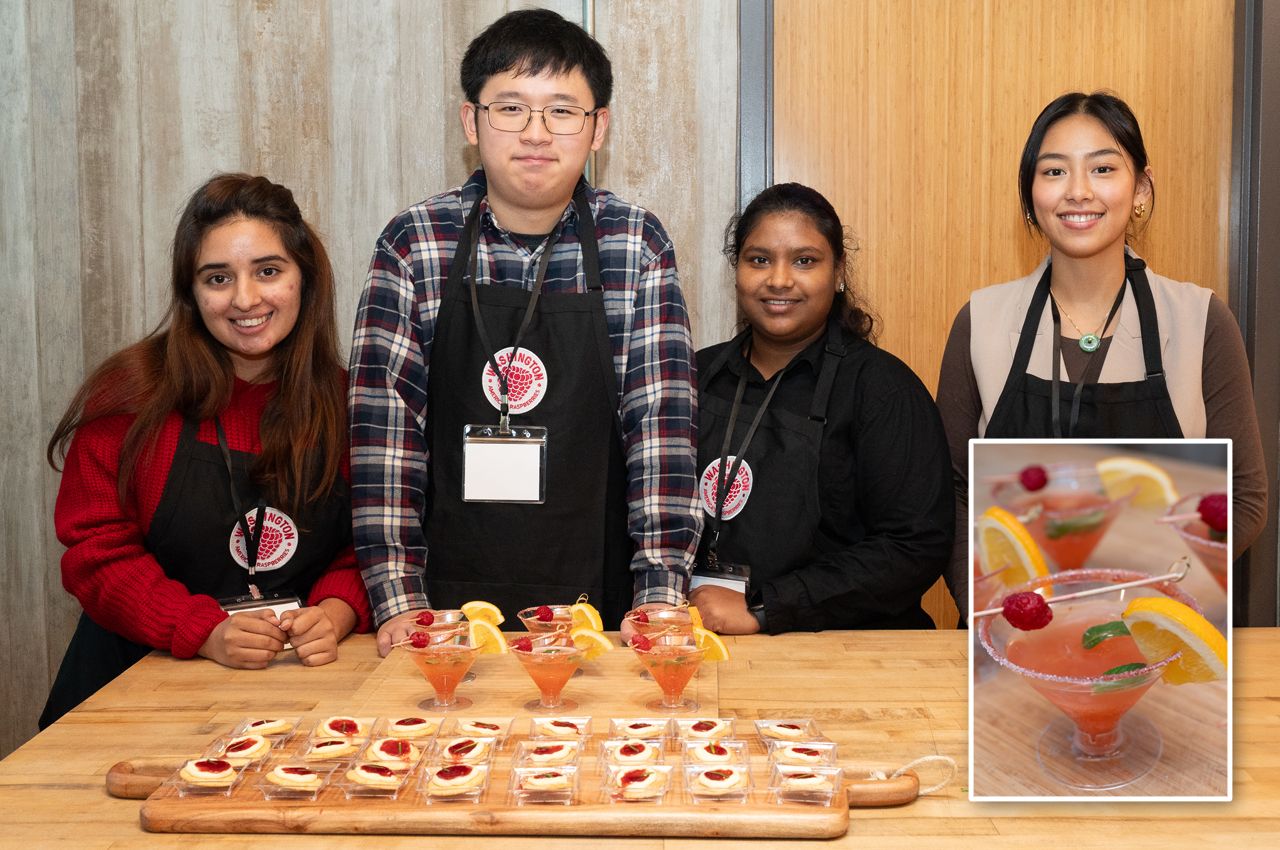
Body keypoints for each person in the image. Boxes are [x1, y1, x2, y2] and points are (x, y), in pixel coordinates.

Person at [349, 8, 699, 653]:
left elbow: (661, 431)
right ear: (471, 121)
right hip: (442, 615)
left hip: (603, 610)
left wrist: (659, 596)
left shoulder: (635, 243)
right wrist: (398, 598)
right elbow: (385, 436)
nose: (536, 133)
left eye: (562, 111)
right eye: (510, 108)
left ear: (598, 128)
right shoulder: (415, 242)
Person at [40, 174, 371, 728]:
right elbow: (96, 554)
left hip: (290, 697)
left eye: (268, 271)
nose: (245, 299)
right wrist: (202, 629)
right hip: (127, 691)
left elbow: (369, 542)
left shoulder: (347, 402)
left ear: (305, 279)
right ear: (191, 293)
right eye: (218, 278)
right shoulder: (130, 396)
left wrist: (336, 610)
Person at [937, 91, 1268, 616]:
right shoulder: (981, 321)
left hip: (1160, 624)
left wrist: (1162, 594)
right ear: (1030, 195)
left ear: (1141, 189)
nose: (1078, 191)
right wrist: (990, 609)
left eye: (1103, 169)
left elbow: (1243, 496)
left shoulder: (1202, 320)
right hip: (1011, 628)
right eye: (1054, 171)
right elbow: (951, 493)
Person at [690, 183, 953, 633]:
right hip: (703, 639)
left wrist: (766, 608)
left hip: (848, 649)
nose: (779, 279)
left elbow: (914, 546)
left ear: (839, 272)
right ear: (737, 270)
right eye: (759, 260)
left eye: (804, 261)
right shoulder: (693, 376)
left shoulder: (883, 389)